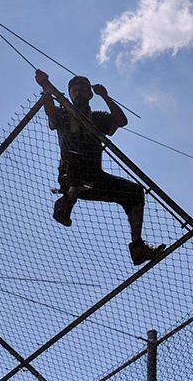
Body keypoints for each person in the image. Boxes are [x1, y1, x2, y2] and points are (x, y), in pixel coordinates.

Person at [36, 69, 166, 266]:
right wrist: (45, 86)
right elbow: (51, 113)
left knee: (134, 191)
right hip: (70, 174)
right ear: (70, 94)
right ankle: (66, 201)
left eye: (82, 89)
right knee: (77, 166)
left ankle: (137, 247)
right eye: (74, 90)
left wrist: (105, 96)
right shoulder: (65, 113)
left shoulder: (98, 118)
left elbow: (121, 121)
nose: (78, 93)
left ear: (89, 94)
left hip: (94, 177)